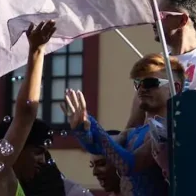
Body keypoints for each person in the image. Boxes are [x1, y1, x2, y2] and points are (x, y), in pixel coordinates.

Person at [68, 53, 184, 196]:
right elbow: (97, 148)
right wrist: (82, 128)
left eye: (150, 83)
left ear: (175, 88)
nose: (142, 89)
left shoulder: (169, 128)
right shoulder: (132, 133)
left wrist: (92, 123)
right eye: (138, 84)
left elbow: (129, 164)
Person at [0, 21, 56, 196]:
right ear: (18, 148)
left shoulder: (14, 186)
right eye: (37, 152)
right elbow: (25, 115)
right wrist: (37, 51)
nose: (42, 161)